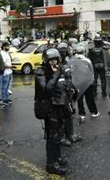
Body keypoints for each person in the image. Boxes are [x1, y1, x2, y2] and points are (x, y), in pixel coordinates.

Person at [34, 48, 75, 176]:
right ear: (46, 61)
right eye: (51, 60)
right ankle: (51, 164)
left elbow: (65, 87)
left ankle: (57, 158)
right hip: (49, 108)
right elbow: (47, 88)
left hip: (59, 107)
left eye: (55, 59)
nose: (53, 62)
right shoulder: (41, 72)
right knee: (52, 137)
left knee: (58, 135)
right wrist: (57, 74)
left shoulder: (60, 71)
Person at [73, 45, 99, 122]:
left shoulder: (73, 61)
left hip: (78, 82)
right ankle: (93, 112)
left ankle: (82, 114)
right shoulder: (87, 60)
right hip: (87, 82)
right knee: (89, 98)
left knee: (79, 99)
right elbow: (91, 71)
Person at [0, 42, 13, 106]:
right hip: (5, 73)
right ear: (4, 47)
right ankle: (4, 99)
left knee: (7, 87)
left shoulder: (6, 53)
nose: (9, 47)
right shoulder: (2, 54)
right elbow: (3, 64)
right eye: (8, 46)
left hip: (9, 72)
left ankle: (7, 98)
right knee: (4, 87)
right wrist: (10, 66)